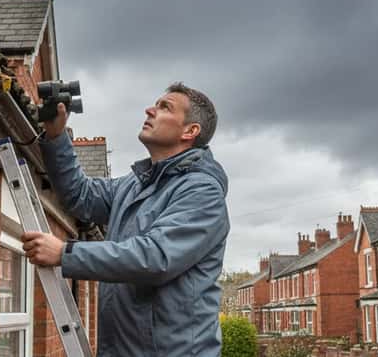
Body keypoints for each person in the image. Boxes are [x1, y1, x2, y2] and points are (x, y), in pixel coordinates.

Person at [21, 82, 230, 356]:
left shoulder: (201, 191)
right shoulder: (134, 185)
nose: (150, 110)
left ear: (190, 131)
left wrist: (65, 253)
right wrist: (57, 134)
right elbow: (80, 195)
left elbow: (156, 257)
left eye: (164, 107)